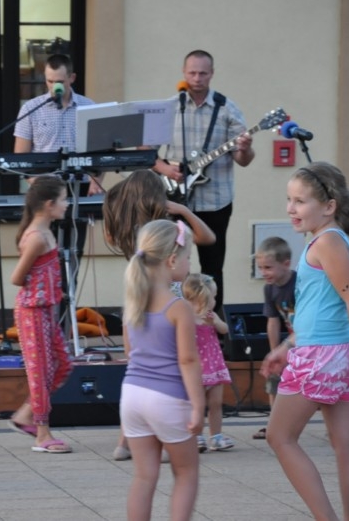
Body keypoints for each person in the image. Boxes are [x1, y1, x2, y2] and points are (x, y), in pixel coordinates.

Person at [261, 162, 349, 520]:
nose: (291, 208)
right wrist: (286, 347)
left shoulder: (328, 242)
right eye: (289, 200)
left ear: (329, 206)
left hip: (324, 356)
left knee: (279, 437)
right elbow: (320, 308)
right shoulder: (333, 240)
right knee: (346, 445)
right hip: (336, 353)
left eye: (300, 201)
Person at [102, 169, 215, 461]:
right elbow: (208, 237)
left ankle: (125, 442)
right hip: (169, 303)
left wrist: (114, 202)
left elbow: (108, 233)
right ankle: (170, 437)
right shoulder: (168, 230)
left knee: (139, 366)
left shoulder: (129, 228)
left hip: (137, 302)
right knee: (173, 367)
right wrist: (183, 210)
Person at [154, 49, 255, 313]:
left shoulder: (228, 109)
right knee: (173, 265)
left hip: (216, 201)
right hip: (175, 200)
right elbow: (146, 153)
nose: (197, 78)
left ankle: (212, 323)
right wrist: (166, 170)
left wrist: (245, 148)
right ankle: (174, 318)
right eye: (192, 73)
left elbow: (243, 159)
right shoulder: (169, 108)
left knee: (213, 267)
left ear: (212, 74)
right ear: (183, 72)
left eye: (203, 73)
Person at [120, 220, 204, 521]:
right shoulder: (178, 307)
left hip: (132, 395)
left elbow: (129, 351)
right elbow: (188, 361)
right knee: (186, 473)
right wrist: (198, 405)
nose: (190, 264)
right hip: (168, 398)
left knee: (144, 477)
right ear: (171, 260)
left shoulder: (133, 303)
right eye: (188, 257)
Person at [14, 53, 98, 321]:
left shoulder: (89, 107)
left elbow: (102, 154)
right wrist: (39, 186)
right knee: (41, 258)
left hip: (76, 190)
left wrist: (96, 180)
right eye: (49, 81)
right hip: (43, 196)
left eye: (59, 81)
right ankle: (40, 320)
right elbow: (21, 159)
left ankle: (64, 325)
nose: (54, 87)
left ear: (71, 78)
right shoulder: (31, 108)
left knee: (71, 258)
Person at [7, 175, 74, 453]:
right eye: (63, 199)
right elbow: (17, 277)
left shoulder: (46, 233)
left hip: (46, 310)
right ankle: (42, 434)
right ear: (49, 204)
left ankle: (25, 414)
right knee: (41, 372)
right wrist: (41, 288)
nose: (67, 204)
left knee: (63, 364)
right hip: (32, 311)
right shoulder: (36, 238)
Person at [181, 273, 234, 452]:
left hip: (214, 364)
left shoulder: (211, 315)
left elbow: (225, 329)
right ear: (203, 297)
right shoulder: (186, 316)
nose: (215, 300)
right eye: (214, 297)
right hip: (196, 368)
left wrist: (215, 323)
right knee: (197, 404)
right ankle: (196, 436)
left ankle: (216, 436)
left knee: (216, 402)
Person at [252, 236, 296, 440]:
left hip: (306, 341)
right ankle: (274, 423)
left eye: (268, 267)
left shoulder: (299, 284)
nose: (263, 273)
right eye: (260, 268)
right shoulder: (269, 288)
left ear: (286, 264)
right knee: (273, 379)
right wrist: (274, 352)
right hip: (288, 344)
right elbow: (273, 321)